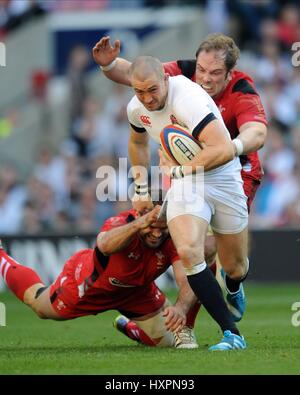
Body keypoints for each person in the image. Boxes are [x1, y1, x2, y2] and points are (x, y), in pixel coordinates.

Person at [92, 33, 268, 322]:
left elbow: (257, 134)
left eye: (215, 73)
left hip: (235, 171)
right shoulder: (184, 74)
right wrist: (108, 66)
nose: (205, 78)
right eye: (201, 70)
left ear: (230, 73)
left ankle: (234, 284)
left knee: (225, 258)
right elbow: (141, 74)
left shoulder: (242, 89)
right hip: (186, 172)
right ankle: (179, 321)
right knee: (190, 247)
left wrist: (229, 148)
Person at [122, 55, 248, 350]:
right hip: (185, 182)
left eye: (152, 89)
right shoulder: (136, 108)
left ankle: (234, 284)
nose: (147, 98)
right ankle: (232, 334)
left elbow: (223, 148)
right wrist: (140, 186)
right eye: (139, 92)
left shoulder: (188, 99)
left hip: (222, 175)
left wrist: (179, 169)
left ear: (165, 80)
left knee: (235, 266)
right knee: (191, 251)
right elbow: (137, 142)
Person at [0, 204, 200, 349]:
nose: (157, 234)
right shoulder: (123, 222)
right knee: (38, 305)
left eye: (162, 229)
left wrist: (180, 308)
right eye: (151, 227)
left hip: (137, 293)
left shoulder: (175, 233)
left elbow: (188, 276)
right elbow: (104, 245)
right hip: (88, 288)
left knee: (167, 343)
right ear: (139, 215)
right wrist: (139, 225)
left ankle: (129, 327)